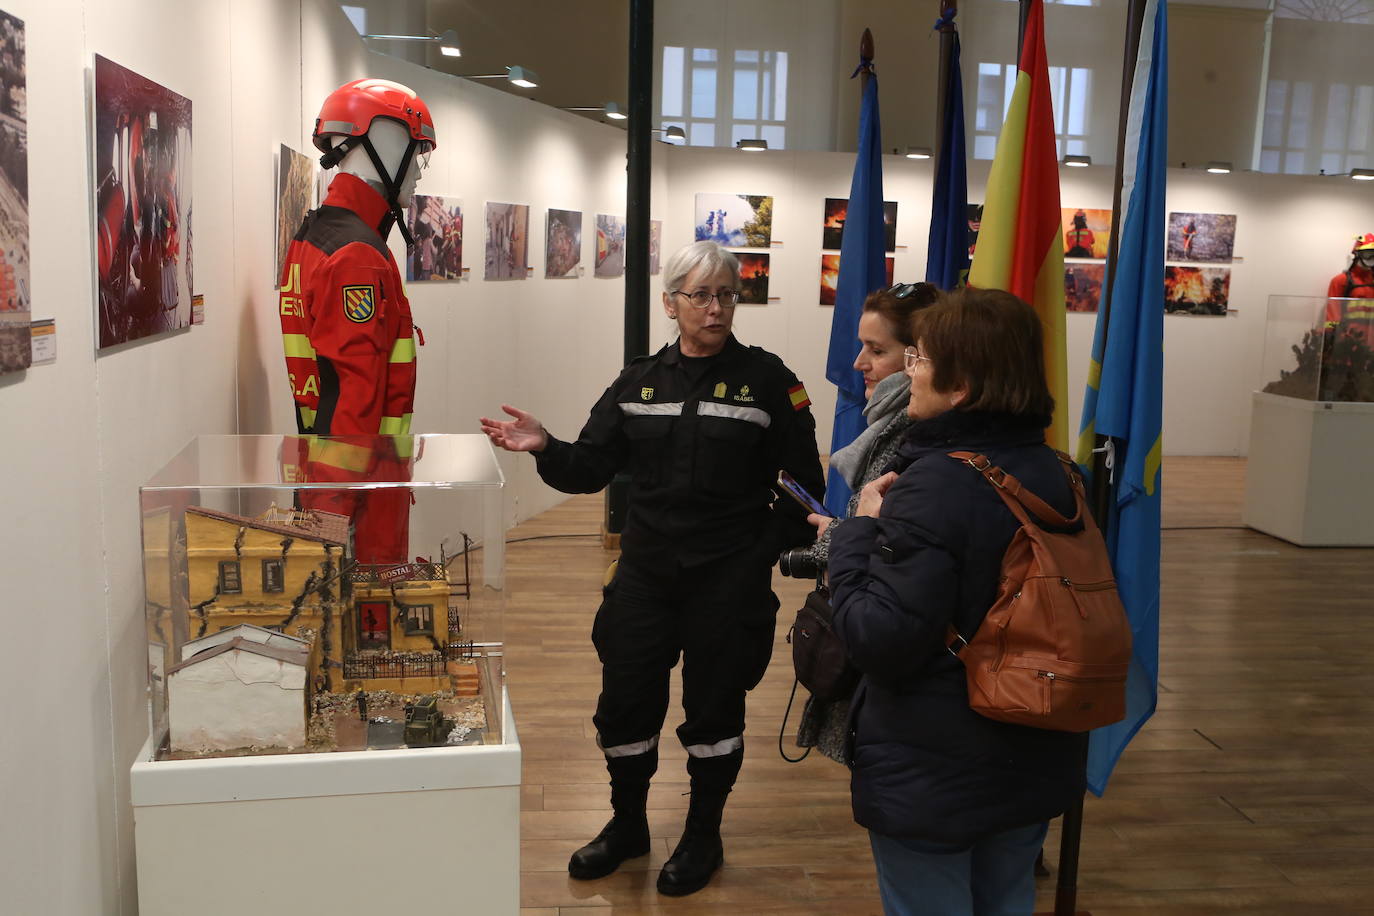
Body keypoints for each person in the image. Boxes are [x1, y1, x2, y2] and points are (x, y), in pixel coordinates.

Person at [480, 241, 824, 897]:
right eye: (700, 295)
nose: (716, 307)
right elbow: (589, 467)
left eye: (727, 294)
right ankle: (628, 825)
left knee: (714, 711)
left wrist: (759, 553)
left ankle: (702, 834)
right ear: (670, 304)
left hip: (727, 580)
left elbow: (803, 487)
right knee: (625, 706)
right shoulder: (640, 382)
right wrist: (545, 446)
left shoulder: (770, 381)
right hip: (646, 577)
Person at [825, 288, 1087, 915]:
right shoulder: (1059, 470)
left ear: (962, 384)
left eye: (919, 357)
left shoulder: (936, 481)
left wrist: (856, 531)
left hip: (936, 763)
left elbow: (880, 640)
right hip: (1036, 741)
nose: (909, 370)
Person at [278, 78, 435, 564]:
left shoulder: (319, 233)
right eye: (417, 152)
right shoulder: (357, 256)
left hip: (333, 478)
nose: (419, 174)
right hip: (361, 496)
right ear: (384, 144)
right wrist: (331, 523)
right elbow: (353, 399)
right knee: (368, 630)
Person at [793, 281, 938, 763]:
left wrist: (836, 537)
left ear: (920, 358)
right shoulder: (890, 427)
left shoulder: (913, 438)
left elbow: (898, 548)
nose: (858, 363)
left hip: (895, 665)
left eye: (877, 350)